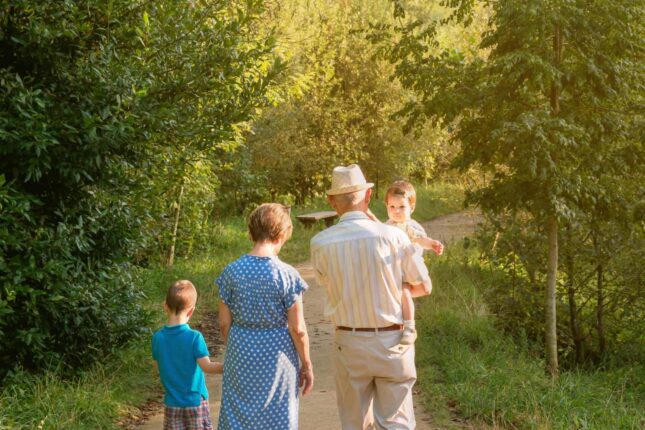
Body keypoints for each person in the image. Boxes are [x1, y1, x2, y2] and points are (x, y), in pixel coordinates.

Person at [310, 164, 433, 429]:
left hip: (349, 341)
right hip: (393, 340)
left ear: (332, 201)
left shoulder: (320, 242)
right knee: (396, 422)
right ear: (368, 198)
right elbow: (424, 286)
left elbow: (326, 283)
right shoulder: (395, 237)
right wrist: (396, 289)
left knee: (354, 422)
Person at [216, 203, 314, 430]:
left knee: (237, 415)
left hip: (240, 349)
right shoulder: (287, 275)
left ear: (251, 233)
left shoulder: (231, 272)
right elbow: (297, 328)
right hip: (277, 356)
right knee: (277, 416)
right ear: (281, 235)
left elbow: (223, 323)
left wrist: (237, 348)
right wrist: (306, 364)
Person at [152, 280, 223, 430]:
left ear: (165, 306)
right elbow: (207, 367)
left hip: (172, 403)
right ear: (191, 311)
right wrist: (229, 367)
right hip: (195, 402)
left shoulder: (157, 338)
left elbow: (157, 367)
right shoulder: (194, 337)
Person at [384, 180, 444, 345]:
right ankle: (408, 326)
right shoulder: (386, 226)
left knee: (423, 289)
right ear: (387, 207)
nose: (396, 211)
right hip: (395, 268)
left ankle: (408, 321)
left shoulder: (408, 226)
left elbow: (420, 239)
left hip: (411, 265)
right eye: (392, 207)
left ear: (412, 207)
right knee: (403, 291)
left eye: (402, 207)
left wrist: (432, 244)